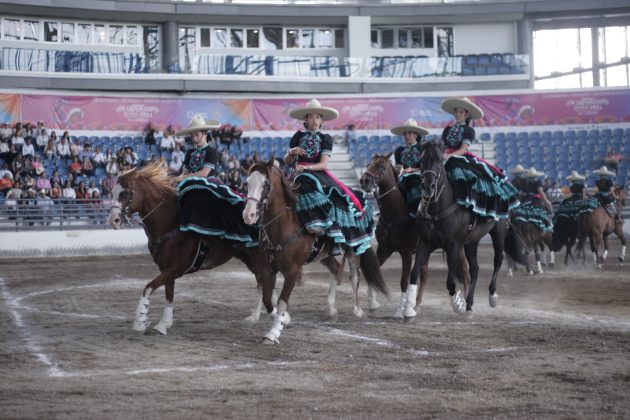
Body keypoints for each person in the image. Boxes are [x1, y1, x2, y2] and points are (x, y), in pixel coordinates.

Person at [285, 99, 374, 256]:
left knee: (333, 198)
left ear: (321, 120)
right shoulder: (297, 137)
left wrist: (306, 167)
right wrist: (291, 153)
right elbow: (287, 162)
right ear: (305, 120)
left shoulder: (326, 138)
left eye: (317, 117)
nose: (314, 120)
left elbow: (323, 164)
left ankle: (334, 238)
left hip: (317, 174)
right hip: (299, 174)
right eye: (311, 117)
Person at [174, 115, 258, 247]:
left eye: (196, 135)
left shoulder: (211, 151)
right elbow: (185, 171)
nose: (194, 138)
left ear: (204, 133)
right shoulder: (190, 152)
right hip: (189, 183)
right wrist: (180, 177)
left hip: (207, 184)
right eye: (192, 135)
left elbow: (204, 173)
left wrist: (185, 177)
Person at [440, 97, 519, 220]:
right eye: (456, 111)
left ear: (466, 115)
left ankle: (470, 208)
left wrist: (448, 156)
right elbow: (443, 146)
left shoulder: (469, 130)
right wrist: (441, 156)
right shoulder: (447, 130)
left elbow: (462, 150)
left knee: (468, 178)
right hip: (445, 156)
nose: (458, 114)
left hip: (458, 158)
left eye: (461, 112)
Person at [391, 118, 430, 217]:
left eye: (410, 133)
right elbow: (398, 166)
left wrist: (413, 169)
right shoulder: (399, 150)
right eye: (405, 134)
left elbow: (428, 167)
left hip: (419, 177)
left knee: (412, 183)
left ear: (416, 134)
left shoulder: (423, 148)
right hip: (403, 177)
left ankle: (416, 212)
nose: (407, 136)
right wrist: (400, 170)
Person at [512, 167, 554, 232]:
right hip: (535, 200)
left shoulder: (524, 182)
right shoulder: (537, 182)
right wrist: (547, 202)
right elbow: (541, 192)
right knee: (543, 213)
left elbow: (521, 193)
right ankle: (547, 226)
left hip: (525, 200)